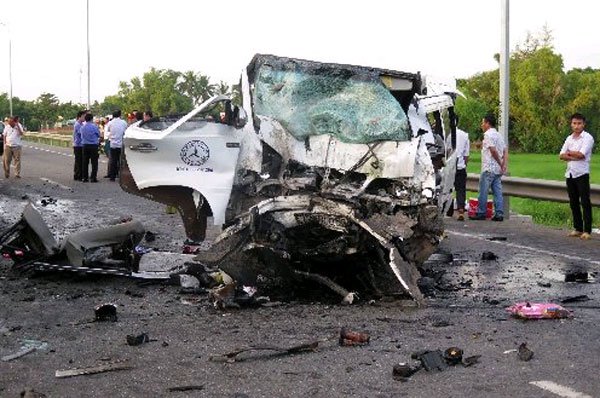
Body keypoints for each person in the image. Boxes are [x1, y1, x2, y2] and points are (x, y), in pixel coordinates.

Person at [559, 113, 594, 240]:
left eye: (579, 123)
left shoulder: (587, 138)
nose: (576, 126)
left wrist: (569, 153)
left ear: (583, 124)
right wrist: (572, 154)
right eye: (574, 123)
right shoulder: (569, 138)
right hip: (570, 173)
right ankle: (578, 228)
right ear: (571, 124)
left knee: (585, 202)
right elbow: (561, 155)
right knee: (573, 202)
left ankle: (587, 230)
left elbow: (581, 155)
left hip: (582, 174)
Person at [469, 113, 507, 221]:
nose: (482, 125)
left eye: (483, 123)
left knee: (483, 191)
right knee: (497, 192)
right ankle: (499, 213)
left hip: (488, 168)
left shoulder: (488, 135)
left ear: (488, 123)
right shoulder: (499, 135)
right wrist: (503, 165)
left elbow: (493, 150)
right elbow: (505, 150)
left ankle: (481, 212)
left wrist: (500, 163)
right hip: (497, 170)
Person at [447, 120, 470, 221]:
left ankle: (449, 210)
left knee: (449, 189)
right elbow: (466, 154)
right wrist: (464, 164)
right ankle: (461, 211)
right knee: (461, 189)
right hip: (461, 166)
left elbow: (447, 151)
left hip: (451, 166)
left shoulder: (448, 136)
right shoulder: (465, 135)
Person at [105, 110, 127, 181]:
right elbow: (126, 131)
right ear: (120, 115)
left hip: (113, 144)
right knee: (121, 160)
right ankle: (121, 176)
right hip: (121, 144)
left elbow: (107, 131)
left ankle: (112, 176)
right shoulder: (123, 122)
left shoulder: (110, 123)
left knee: (113, 160)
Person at [80, 113, 100, 182]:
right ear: (92, 119)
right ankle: (93, 177)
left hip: (85, 145)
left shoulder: (82, 127)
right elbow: (98, 135)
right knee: (94, 162)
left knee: (85, 162)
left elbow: (81, 136)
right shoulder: (94, 127)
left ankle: (85, 178)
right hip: (93, 146)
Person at [72, 110, 87, 181]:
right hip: (78, 145)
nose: (85, 118)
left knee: (80, 161)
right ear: (79, 117)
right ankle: (78, 175)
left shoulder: (81, 124)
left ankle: (78, 175)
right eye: (84, 116)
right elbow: (82, 133)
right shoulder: (77, 124)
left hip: (80, 145)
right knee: (79, 161)